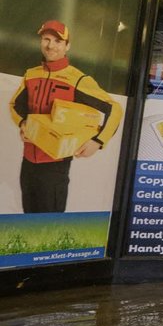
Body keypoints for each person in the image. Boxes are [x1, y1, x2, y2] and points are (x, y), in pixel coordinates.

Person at [9, 20, 123, 213]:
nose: (50, 45)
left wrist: (98, 141)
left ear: (67, 46)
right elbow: (15, 105)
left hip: (55, 165)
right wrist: (22, 123)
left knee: (50, 225)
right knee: (28, 221)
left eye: (57, 41)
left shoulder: (78, 79)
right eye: (46, 39)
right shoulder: (31, 75)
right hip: (28, 161)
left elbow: (115, 108)